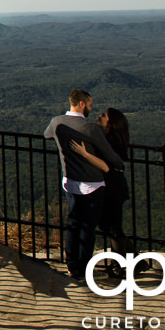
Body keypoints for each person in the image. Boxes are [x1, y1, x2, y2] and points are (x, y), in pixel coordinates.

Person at [44, 89, 124, 280]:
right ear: (81, 104)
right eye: (89, 105)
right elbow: (111, 156)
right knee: (87, 227)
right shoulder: (90, 129)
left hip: (69, 183)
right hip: (92, 184)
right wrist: (120, 165)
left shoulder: (56, 122)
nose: (90, 108)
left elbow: (47, 135)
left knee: (73, 223)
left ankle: (72, 265)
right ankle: (83, 266)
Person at [70, 107, 132, 276]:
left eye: (104, 116)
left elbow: (105, 165)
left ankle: (122, 266)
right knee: (109, 225)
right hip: (112, 187)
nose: (99, 116)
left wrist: (84, 153)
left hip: (112, 188)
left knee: (112, 227)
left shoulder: (110, 142)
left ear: (111, 124)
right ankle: (130, 259)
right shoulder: (110, 140)